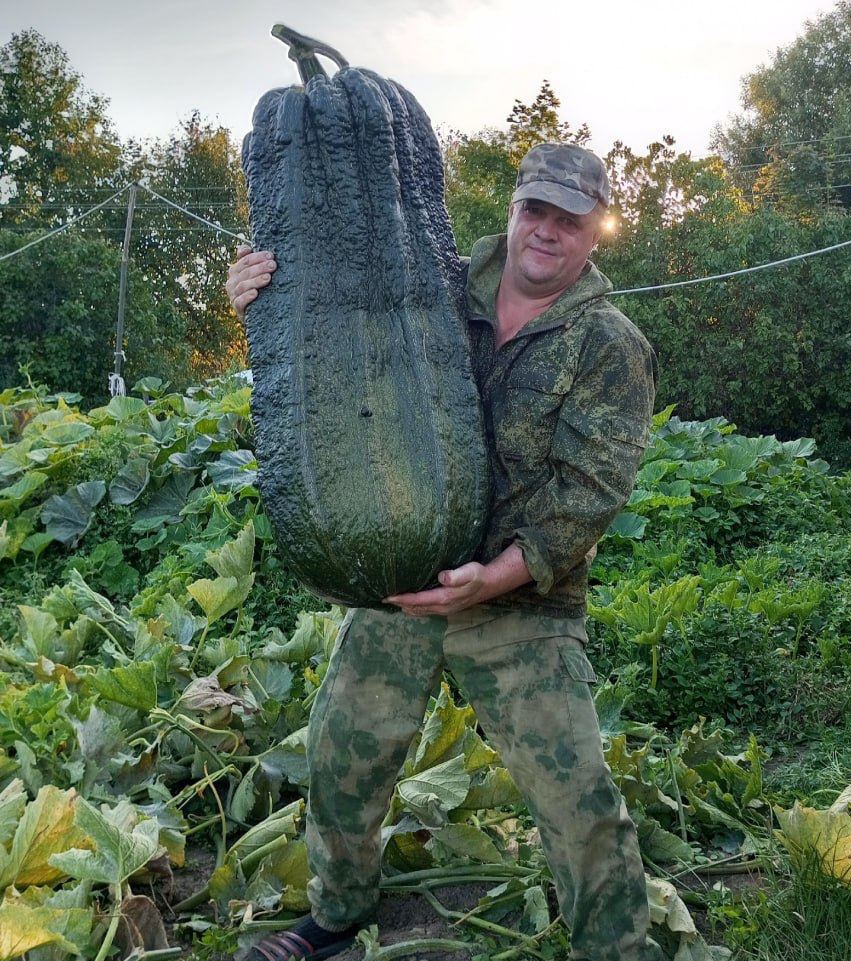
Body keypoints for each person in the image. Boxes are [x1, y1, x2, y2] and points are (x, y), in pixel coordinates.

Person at [227, 143, 662, 961]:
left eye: (570, 219)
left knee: (578, 799)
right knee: (341, 753)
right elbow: (327, 339)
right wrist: (257, 295)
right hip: (408, 571)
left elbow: (587, 498)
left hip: (523, 599)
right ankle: (338, 912)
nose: (547, 230)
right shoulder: (430, 283)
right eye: (537, 209)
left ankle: (617, 950)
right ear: (514, 209)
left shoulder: (610, 343)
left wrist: (490, 580)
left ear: (594, 232)